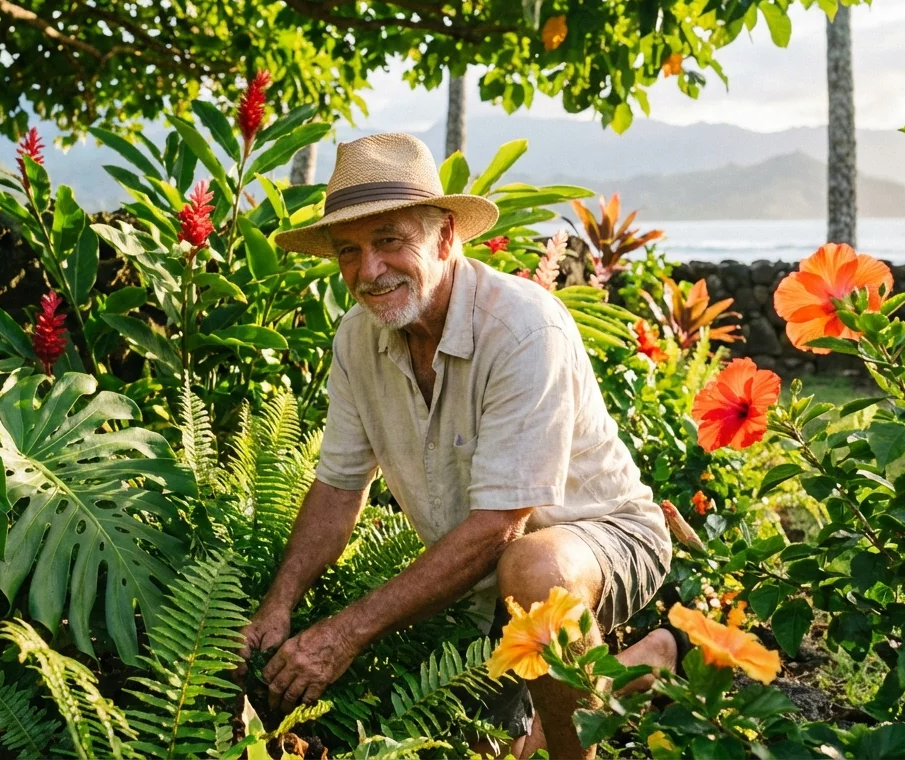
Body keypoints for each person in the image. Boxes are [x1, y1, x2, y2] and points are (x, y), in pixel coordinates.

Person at [240, 132, 677, 759]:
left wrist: (345, 633)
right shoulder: (356, 341)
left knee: (535, 571)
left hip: (598, 538)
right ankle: (649, 659)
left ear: (446, 236)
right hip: (478, 577)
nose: (368, 271)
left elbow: (504, 527)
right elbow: (337, 488)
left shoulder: (523, 327)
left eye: (390, 241)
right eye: (348, 251)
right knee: (494, 751)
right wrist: (277, 606)